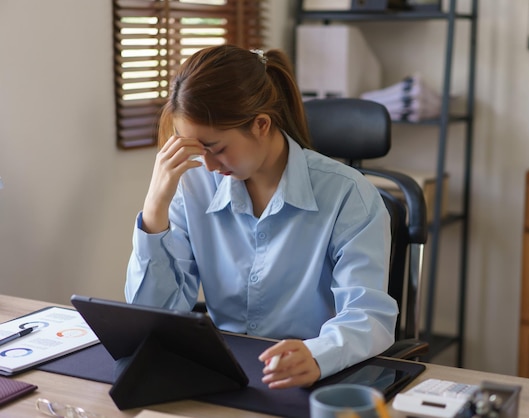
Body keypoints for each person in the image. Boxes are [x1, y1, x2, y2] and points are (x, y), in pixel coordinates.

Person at [125, 44, 398, 389]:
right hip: (222, 374)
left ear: (261, 124)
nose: (206, 165)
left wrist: (318, 354)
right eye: (194, 148)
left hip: (312, 379)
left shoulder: (349, 194)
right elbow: (151, 318)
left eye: (216, 148)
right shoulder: (194, 186)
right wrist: (154, 207)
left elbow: (369, 316)